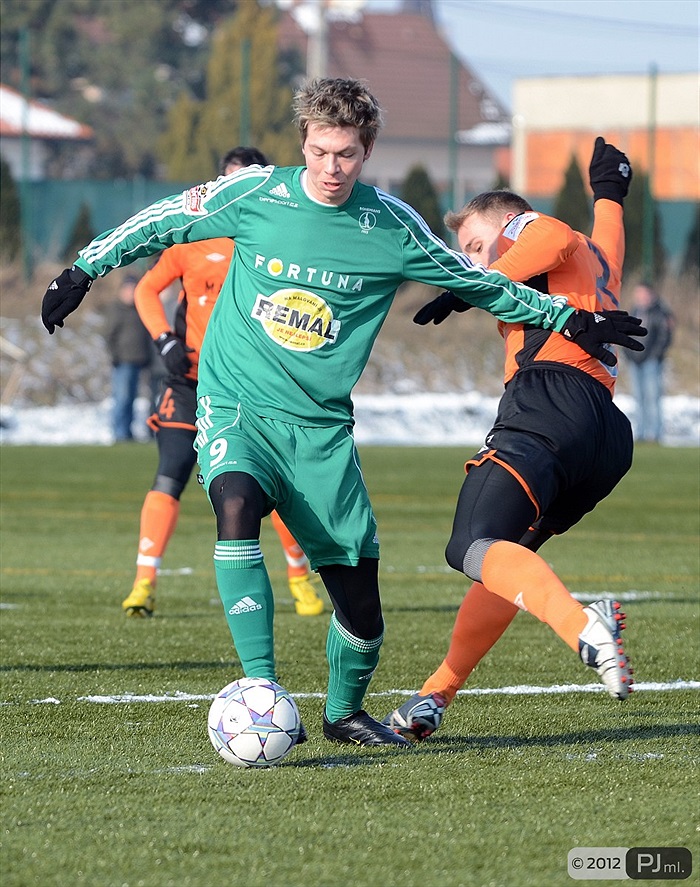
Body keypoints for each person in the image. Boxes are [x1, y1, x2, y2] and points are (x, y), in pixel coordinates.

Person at [40, 80, 646, 748]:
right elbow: (161, 220)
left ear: (368, 151)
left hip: (321, 428)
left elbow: (474, 280)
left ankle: (342, 710)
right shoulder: (257, 193)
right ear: (303, 142)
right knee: (235, 502)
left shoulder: (389, 223)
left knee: (361, 604)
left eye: (348, 154)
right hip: (236, 400)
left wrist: (567, 317)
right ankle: (263, 689)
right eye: (323, 150)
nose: (333, 167)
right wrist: (82, 269)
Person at [383, 137, 640, 742]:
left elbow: (549, 235)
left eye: (474, 245)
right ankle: (435, 695)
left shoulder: (530, 233)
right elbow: (602, 242)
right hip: (603, 433)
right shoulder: (588, 263)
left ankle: (585, 625)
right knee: (503, 559)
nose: (468, 260)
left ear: (507, 223)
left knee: (468, 544)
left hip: (550, 404)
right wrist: (611, 194)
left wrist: (473, 283)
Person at [121, 146, 325, 619]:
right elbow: (147, 289)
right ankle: (144, 583)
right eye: (228, 183)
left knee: (269, 486)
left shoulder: (280, 239)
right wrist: (165, 340)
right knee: (170, 472)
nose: (236, 194)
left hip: (253, 386)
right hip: (189, 380)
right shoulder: (191, 240)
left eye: (247, 182)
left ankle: (298, 580)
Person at [103, 274, 152, 442]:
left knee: (132, 399)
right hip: (123, 361)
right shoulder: (116, 310)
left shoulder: (140, 308)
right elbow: (109, 335)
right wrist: (114, 355)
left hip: (139, 360)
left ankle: (128, 432)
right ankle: (119, 433)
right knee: (122, 398)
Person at [626, 282, 674, 443]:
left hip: (651, 362)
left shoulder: (661, 313)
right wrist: (629, 354)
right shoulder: (633, 312)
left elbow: (664, 337)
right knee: (638, 398)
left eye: (643, 294)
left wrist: (653, 356)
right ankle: (640, 432)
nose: (640, 297)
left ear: (651, 295)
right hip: (635, 361)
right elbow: (625, 334)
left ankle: (655, 434)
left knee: (653, 398)